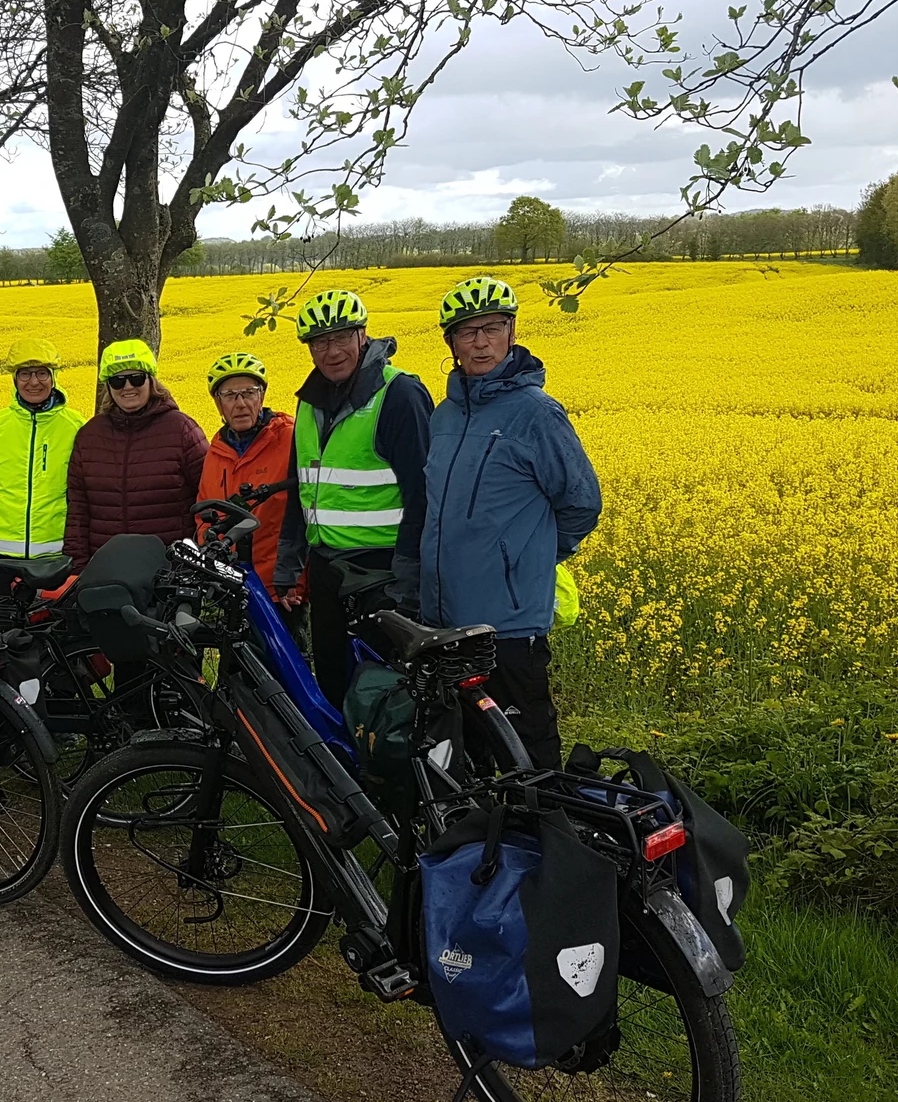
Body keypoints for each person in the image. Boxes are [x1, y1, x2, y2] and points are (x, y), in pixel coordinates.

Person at [419, 276, 601, 771]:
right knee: (465, 755)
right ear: (451, 343)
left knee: (527, 753)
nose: (480, 343)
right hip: (445, 620)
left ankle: (551, 820)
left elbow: (582, 503)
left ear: (512, 332)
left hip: (508, 623)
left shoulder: (536, 414)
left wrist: (530, 558)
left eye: (492, 328)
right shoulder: (445, 416)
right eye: (467, 332)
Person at [273, 287, 434, 706]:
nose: (331, 352)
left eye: (342, 337)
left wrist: (408, 583)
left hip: (382, 571)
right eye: (319, 343)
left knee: (384, 690)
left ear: (363, 335)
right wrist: (289, 566)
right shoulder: (309, 403)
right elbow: (301, 487)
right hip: (327, 567)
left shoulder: (399, 395)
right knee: (332, 678)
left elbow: (423, 497)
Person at [64, 339, 208, 569]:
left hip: (170, 570)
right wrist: (78, 567)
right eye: (118, 381)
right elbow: (78, 511)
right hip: (106, 568)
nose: (128, 387)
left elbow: (206, 499)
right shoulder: (89, 435)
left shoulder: (182, 429)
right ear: (108, 387)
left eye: (137, 378)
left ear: (151, 380)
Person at [0, 338, 87, 561]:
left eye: (42, 373)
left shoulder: (76, 426)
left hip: (58, 554)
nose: (34, 382)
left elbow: (84, 493)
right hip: (2, 553)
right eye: (25, 374)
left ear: (54, 377)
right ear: (15, 379)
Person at [197, 350, 296, 593]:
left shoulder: (290, 439)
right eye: (230, 396)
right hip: (228, 587)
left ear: (261, 396)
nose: (241, 404)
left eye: (249, 393)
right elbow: (203, 517)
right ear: (218, 403)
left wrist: (297, 581)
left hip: (281, 587)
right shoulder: (216, 452)